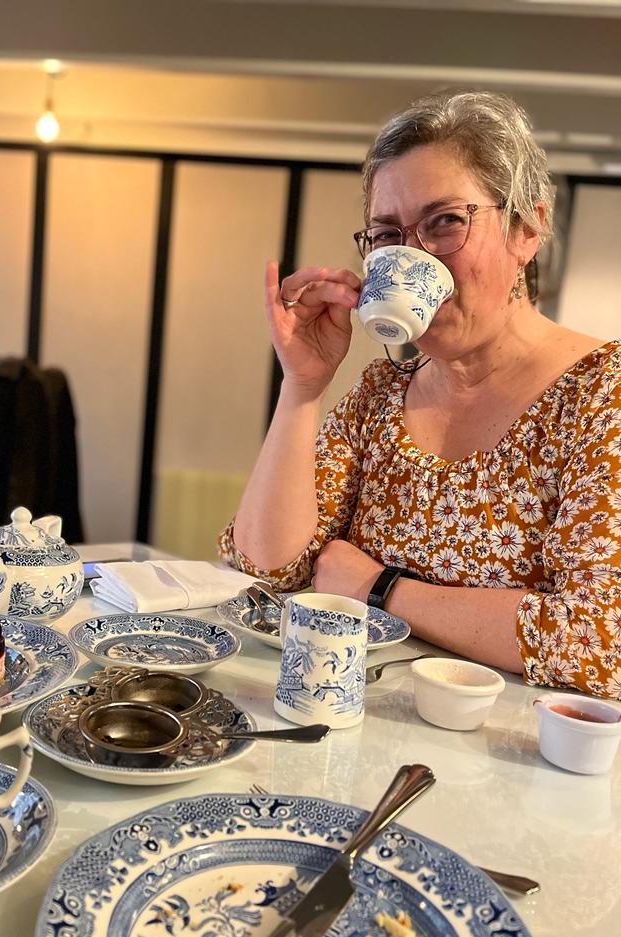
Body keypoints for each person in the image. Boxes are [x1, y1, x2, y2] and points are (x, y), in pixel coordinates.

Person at [219, 89, 621, 701]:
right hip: (360, 723)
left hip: (504, 747)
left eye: (446, 221)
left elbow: (599, 638)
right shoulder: (383, 393)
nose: (410, 257)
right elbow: (267, 566)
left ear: (526, 229)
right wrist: (302, 386)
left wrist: (378, 588)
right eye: (388, 234)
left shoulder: (600, 395)